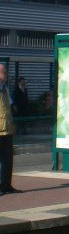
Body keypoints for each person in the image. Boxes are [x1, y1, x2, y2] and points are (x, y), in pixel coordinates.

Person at [0, 64, 19, 194]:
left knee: (8, 159)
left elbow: (10, 107)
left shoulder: (5, 89)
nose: (6, 73)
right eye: (4, 71)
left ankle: (7, 185)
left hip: (7, 129)